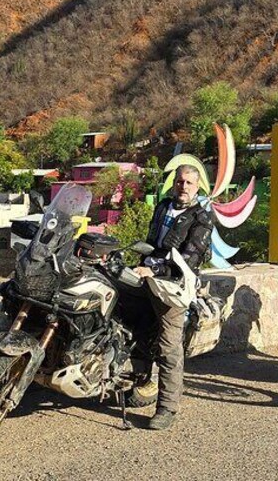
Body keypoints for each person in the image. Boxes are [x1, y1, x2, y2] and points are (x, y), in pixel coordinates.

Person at [122, 164, 213, 430]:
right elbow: (154, 243)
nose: (183, 187)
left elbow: (190, 258)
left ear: (197, 187)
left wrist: (156, 269)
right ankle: (141, 384)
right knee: (134, 328)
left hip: (173, 284)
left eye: (189, 183)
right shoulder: (163, 206)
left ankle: (167, 408)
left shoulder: (202, 217)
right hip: (146, 275)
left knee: (168, 346)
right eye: (179, 181)